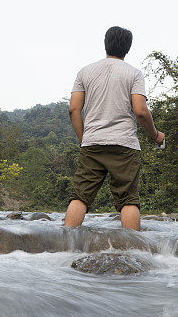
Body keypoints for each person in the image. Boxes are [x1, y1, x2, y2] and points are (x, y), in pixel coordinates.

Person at [64, 26, 165, 230]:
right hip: (124, 145)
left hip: (92, 143)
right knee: (128, 200)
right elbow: (141, 111)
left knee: (80, 198)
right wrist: (155, 136)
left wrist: (85, 139)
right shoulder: (134, 74)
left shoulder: (85, 72)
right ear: (127, 48)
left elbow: (74, 109)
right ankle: (133, 255)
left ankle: (65, 248)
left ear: (105, 44)